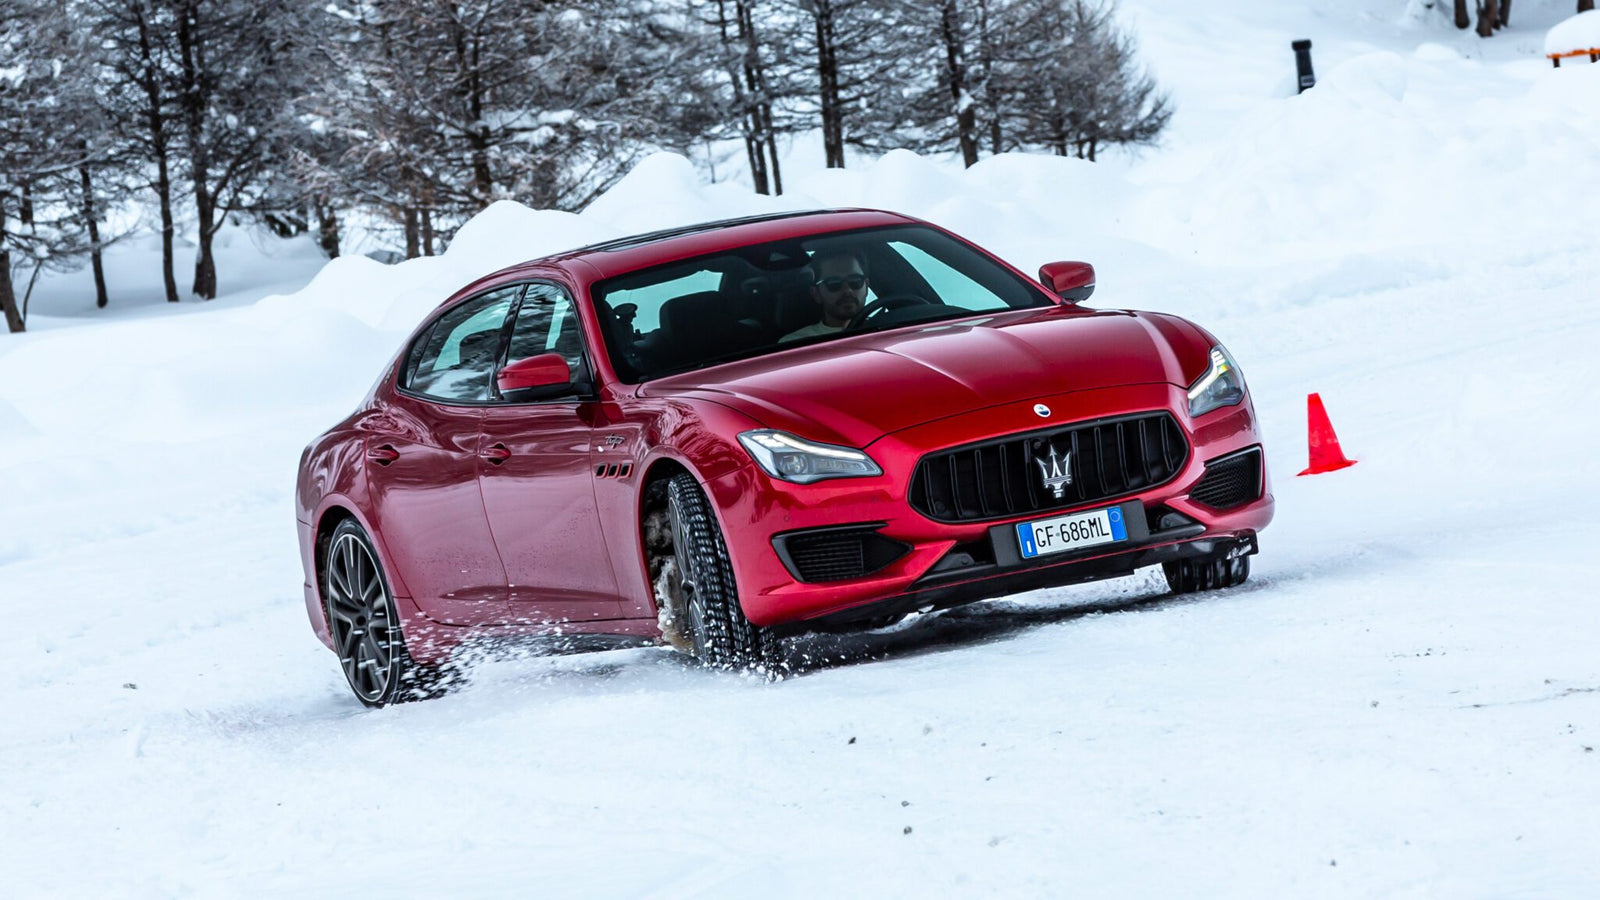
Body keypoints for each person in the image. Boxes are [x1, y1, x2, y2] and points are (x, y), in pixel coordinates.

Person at [780, 249, 870, 342]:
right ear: (816, 294)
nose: (847, 290)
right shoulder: (794, 343)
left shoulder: (884, 327)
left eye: (855, 281)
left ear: (866, 286)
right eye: (834, 284)